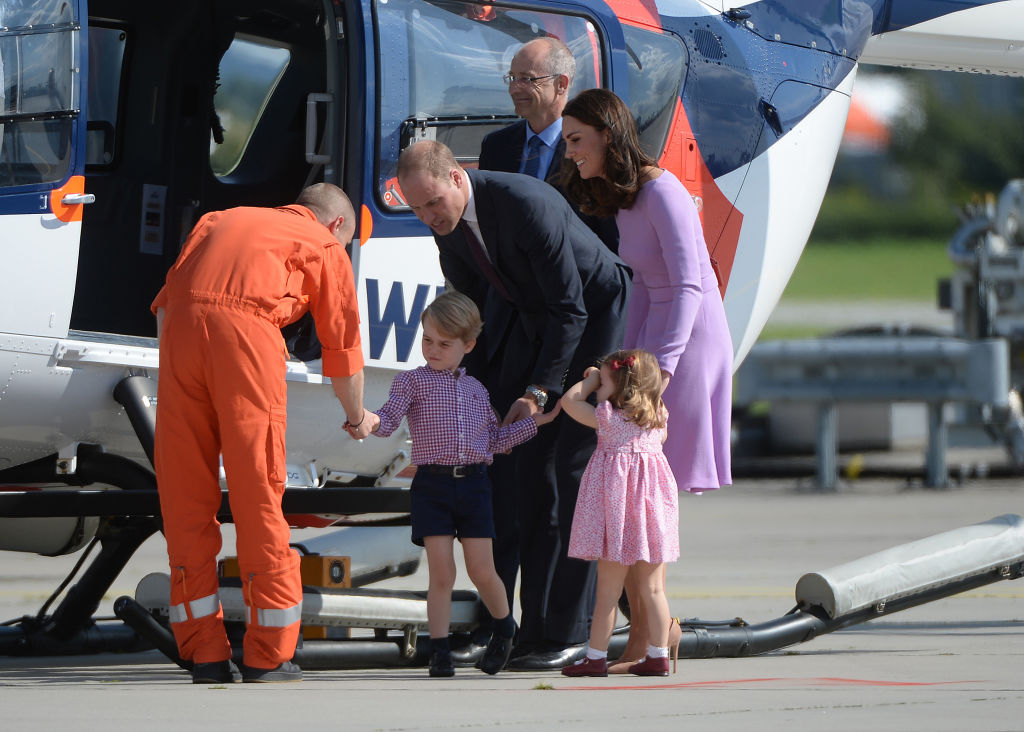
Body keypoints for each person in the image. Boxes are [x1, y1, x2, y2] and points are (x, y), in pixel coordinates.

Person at [397, 140, 631, 670]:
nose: (427, 217)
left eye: (432, 202)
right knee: (514, 470)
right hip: (533, 320)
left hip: (592, 317)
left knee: (567, 469)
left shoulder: (525, 203)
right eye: (415, 209)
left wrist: (538, 393)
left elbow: (569, 310)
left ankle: (567, 632)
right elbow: (474, 318)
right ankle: (517, 626)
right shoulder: (450, 231)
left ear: (458, 177)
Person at [151, 183, 371, 684]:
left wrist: (184, 372)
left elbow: (167, 308)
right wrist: (357, 418)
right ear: (336, 224)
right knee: (257, 497)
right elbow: (342, 349)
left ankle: (202, 653)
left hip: (179, 345)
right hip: (246, 341)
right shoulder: (324, 244)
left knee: (185, 504)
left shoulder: (216, 219)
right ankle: (267, 656)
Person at [560, 88, 733, 672]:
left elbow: (688, 286)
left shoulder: (662, 192)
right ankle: (654, 633)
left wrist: (657, 375)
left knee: (639, 492)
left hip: (685, 342)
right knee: (629, 494)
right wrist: (618, 364)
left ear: (609, 135)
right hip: (651, 342)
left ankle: (649, 635)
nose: (570, 153)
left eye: (577, 140)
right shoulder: (628, 198)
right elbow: (643, 286)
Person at [369, 291, 560, 677]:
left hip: (474, 486)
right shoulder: (410, 383)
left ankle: (505, 628)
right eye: (427, 340)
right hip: (432, 487)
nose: (433, 350)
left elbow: (495, 442)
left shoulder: (478, 392)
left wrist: (536, 422)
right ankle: (438, 651)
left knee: (482, 571)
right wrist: (362, 419)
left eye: (444, 344)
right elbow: (387, 420)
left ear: (468, 345)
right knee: (442, 573)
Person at [558, 350, 679, 677]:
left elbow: (570, 402)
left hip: (617, 516)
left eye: (604, 381)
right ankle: (659, 655)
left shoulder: (608, 419)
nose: (599, 388)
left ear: (620, 386)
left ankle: (595, 657)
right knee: (653, 589)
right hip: (651, 515)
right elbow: (661, 439)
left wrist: (590, 379)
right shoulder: (658, 416)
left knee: (608, 592)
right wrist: (605, 376)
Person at [478, 36, 618, 252]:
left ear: (561, 84)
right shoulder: (496, 146)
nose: (514, 89)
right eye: (512, 77)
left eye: (527, 79)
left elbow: (610, 239)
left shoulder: (594, 148)